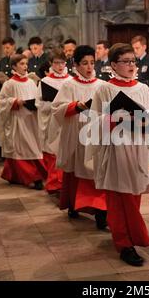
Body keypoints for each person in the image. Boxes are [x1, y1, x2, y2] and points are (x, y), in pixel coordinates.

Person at [87, 43, 149, 266]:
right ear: (113, 65)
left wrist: (148, 118)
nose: (130, 65)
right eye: (125, 61)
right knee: (119, 199)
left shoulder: (143, 89)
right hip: (115, 149)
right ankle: (125, 244)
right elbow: (91, 122)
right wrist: (113, 119)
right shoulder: (105, 89)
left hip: (137, 147)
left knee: (134, 196)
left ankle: (130, 237)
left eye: (133, 61)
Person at [51, 45, 107, 228]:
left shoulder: (102, 85)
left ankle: (101, 210)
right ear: (76, 65)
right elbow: (57, 109)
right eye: (85, 63)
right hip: (77, 134)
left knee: (96, 170)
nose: (89, 67)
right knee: (78, 169)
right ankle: (74, 204)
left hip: (97, 134)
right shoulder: (69, 85)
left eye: (92, 63)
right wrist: (77, 106)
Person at [0, 54, 47, 190]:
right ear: (14, 66)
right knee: (20, 149)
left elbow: (38, 99)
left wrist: (36, 105)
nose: (25, 66)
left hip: (31, 120)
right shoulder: (9, 84)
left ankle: (15, 175)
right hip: (17, 121)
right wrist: (15, 101)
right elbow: (1, 102)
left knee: (32, 147)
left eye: (26, 63)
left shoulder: (31, 82)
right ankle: (34, 177)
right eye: (22, 64)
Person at [36, 48, 71, 194]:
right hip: (51, 120)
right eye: (57, 63)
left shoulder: (71, 80)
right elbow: (38, 103)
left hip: (67, 120)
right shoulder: (45, 81)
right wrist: (53, 105)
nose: (60, 66)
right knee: (52, 152)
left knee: (67, 151)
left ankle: (65, 182)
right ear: (51, 63)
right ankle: (53, 183)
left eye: (62, 62)